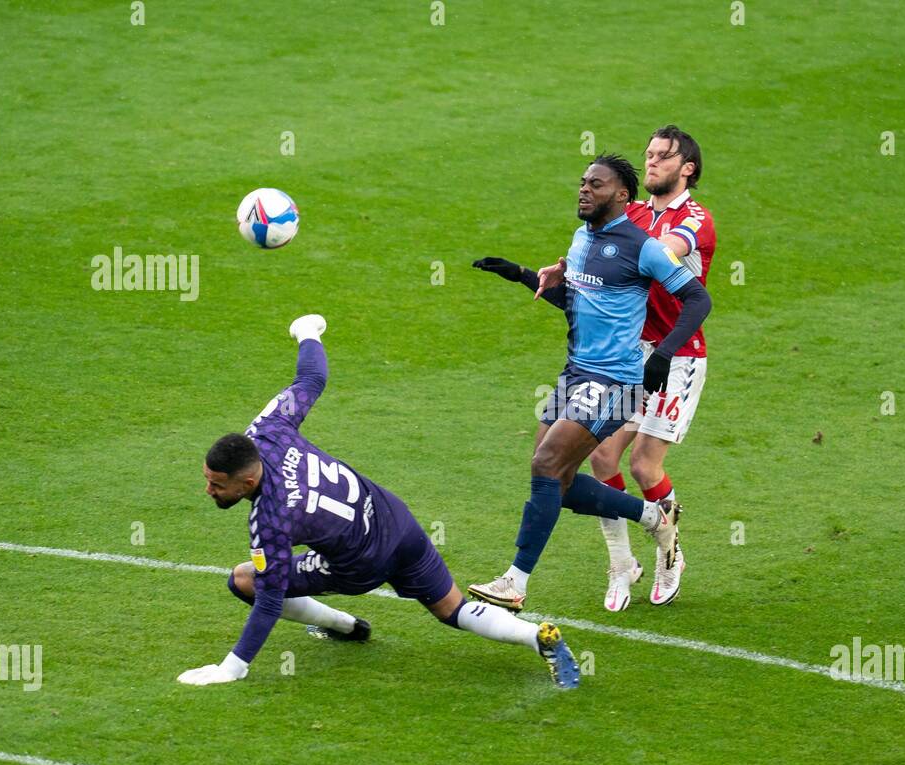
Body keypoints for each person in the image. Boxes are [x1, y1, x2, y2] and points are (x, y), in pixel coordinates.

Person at [179, 314, 580, 689]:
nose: (209, 491)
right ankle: (536, 636)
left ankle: (344, 626)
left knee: (245, 579)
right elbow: (311, 379)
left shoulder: (270, 519)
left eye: (217, 485)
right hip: (395, 521)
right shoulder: (269, 428)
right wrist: (308, 332)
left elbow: (268, 599)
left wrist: (231, 667)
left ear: (247, 480)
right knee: (451, 608)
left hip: (360, 563)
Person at [469, 153, 713, 612]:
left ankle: (515, 581)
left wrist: (662, 354)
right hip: (576, 372)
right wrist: (522, 276)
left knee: (547, 465)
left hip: (617, 381)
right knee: (554, 480)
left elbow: (698, 299)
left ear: (622, 195)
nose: (584, 189)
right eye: (582, 182)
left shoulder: (645, 248)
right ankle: (651, 517)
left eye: (595, 184)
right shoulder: (582, 239)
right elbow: (582, 306)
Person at [585, 125, 716, 611]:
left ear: (688, 169)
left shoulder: (696, 219)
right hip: (629, 351)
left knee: (643, 464)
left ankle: (669, 553)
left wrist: (623, 244)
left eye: (664, 156)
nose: (653, 162)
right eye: (649, 155)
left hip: (677, 354)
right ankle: (621, 563)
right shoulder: (635, 212)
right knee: (601, 457)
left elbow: (667, 251)